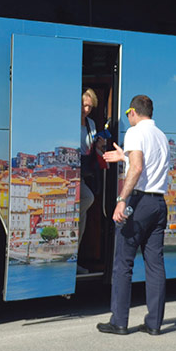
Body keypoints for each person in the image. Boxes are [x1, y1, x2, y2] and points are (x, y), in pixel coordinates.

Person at [96, 94, 170, 336]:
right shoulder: (161, 136)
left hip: (139, 202)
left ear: (133, 112)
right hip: (159, 203)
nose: (128, 118)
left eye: (128, 114)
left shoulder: (134, 132)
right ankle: (154, 323)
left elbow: (138, 167)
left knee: (123, 262)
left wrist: (121, 200)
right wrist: (124, 156)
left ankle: (119, 320)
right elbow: (146, 163)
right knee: (155, 264)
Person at [77, 88, 105, 269]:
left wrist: (100, 145)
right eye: (83, 105)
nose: (86, 109)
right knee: (87, 198)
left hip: (84, 171)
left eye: (89, 106)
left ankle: (76, 259)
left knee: (83, 218)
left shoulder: (91, 124)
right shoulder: (69, 121)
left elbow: (92, 148)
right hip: (72, 172)